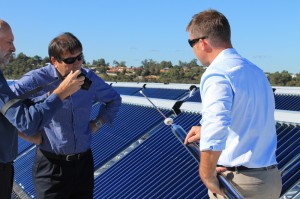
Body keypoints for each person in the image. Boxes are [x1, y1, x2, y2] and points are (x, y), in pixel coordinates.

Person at [184, 9, 282, 199]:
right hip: (269, 180)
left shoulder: (217, 73)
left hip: (238, 184)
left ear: (202, 43)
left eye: (191, 43)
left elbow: (216, 125)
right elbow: (249, 119)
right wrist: (204, 130)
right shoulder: (255, 71)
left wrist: (206, 174)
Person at [11, 32, 122, 199]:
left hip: (83, 165)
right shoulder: (36, 80)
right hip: (51, 168)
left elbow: (114, 100)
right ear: (54, 61)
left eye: (80, 57)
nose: (77, 64)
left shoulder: (87, 79)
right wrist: (29, 136)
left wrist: (97, 124)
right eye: (70, 60)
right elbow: (4, 107)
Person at [0, 19, 84, 199]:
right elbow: (25, 121)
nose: (13, 48)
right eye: (9, 42)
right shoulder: (34, 79)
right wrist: (60, 94)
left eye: (79, 58)